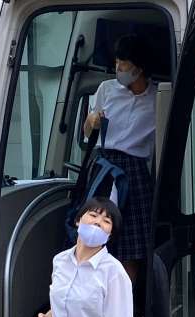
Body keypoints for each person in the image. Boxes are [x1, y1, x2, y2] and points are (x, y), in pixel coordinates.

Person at [83, 34, 156, 294]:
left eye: (123, 64)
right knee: (94, 237)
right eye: (116, 63)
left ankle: (123, 302)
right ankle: (94, 300)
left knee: (131, 247)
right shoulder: (106, 89)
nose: (118, 69)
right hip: (105, 166)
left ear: (139, 68)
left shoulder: (158, 97)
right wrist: (91, 121)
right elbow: (87, 133)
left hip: (135, 171)